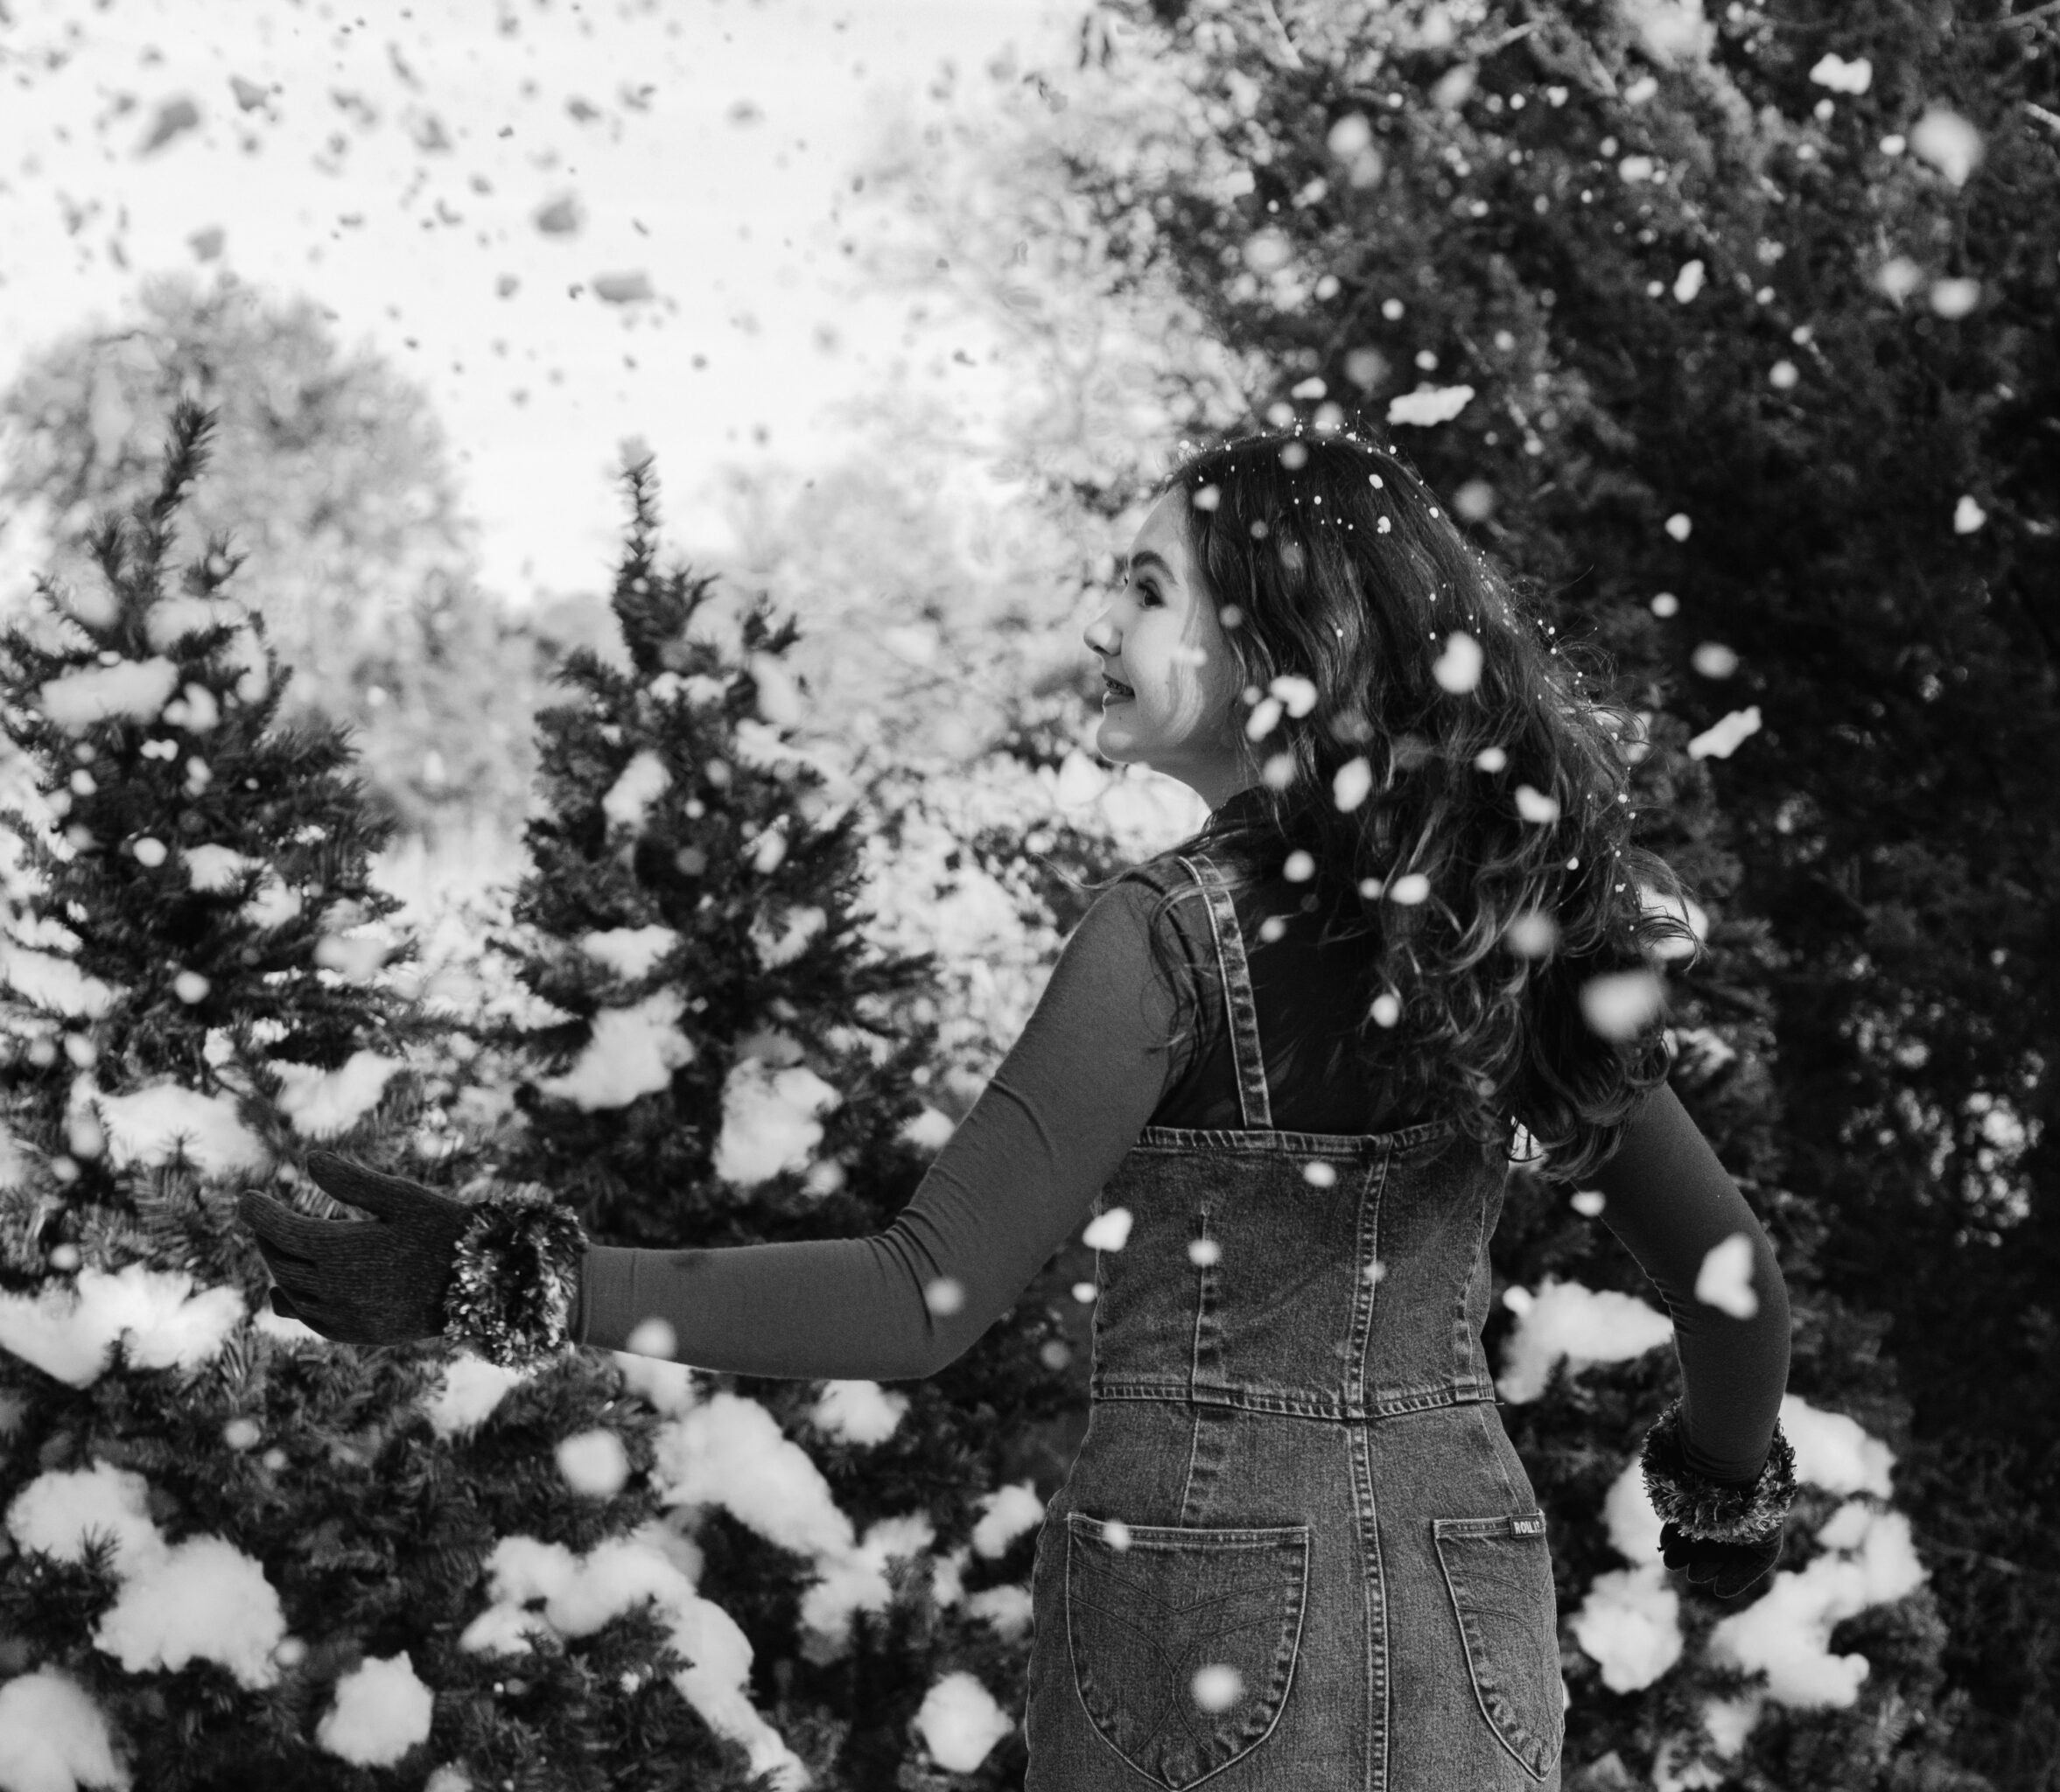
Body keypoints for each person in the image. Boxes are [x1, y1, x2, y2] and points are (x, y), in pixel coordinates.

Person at [242, 422, 1794, 1790]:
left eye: (1146, 586)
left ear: (1281, 642)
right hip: (1474, 1608)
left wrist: (512, 1277)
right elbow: (1733, 1285)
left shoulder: (1167, 937)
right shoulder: (1503, 933)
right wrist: (1723, 1499)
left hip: (1207, 1614)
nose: (1095, 620)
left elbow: (919, 1301)